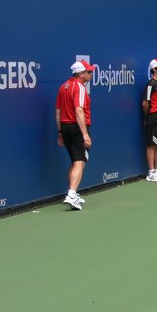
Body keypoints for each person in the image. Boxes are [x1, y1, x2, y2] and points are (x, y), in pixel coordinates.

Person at [55, 60, 94, 211]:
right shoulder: (80, 87)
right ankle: (71, 194)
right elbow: (79, 111)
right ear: (80, 74)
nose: (91, 74)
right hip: (77, 129)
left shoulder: (63, 87)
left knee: (74, 162)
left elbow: (58, 112)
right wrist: (85, 134)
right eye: (89, 72)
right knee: (80, 161)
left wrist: (60, 132)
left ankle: (73, 192)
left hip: (65, 128)